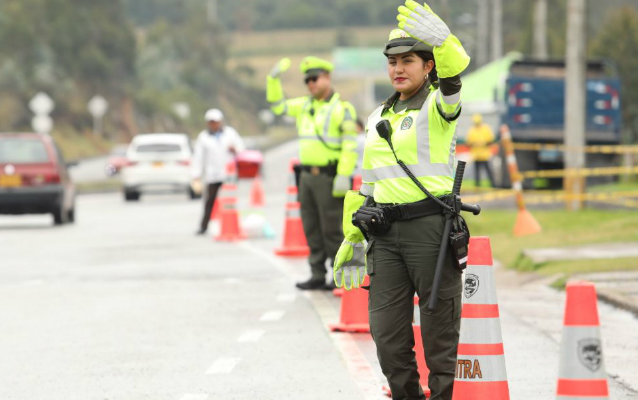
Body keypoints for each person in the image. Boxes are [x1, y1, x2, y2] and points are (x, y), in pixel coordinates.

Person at [333, 1, 470, 398]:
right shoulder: (378, 117)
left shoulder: (438, 107)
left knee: (439, 333)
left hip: (431, 230)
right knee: (388, 338)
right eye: (392, 61)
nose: (397, 69)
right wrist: (352, 238)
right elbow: (368, 184)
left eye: (408, 60)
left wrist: (445, 43)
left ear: (428, 66)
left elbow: (453, 82)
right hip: (385, 236)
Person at [266, 55, 359, 290]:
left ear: (327, 78)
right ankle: (317, 273)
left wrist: (344, 174)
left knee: (332, 230)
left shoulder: (342, 109)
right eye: (307, 80)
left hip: (330, 177)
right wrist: (273, 80)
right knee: (311, 227)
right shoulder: (304, 106)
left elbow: (350, 144)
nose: (311, 84)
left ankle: (339, 277)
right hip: (306, 177)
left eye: (315, 79)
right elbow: (278, 106)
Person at [192, 109, 245, 235]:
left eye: (215, 122)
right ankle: (203, 226)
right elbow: (198, 158)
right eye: (211, 122)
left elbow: (241, 148)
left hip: (229, 174)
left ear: (220, 122)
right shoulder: (203, 137)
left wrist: (235, 149)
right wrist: (196, 175)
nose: (213, 125)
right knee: (209, 201)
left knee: (230, 201)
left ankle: (232, 224)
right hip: (213, 174)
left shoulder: (230, 133)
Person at [465, 113, 496, 187]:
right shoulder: (472, 130)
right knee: (477, 173)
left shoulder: (486, 128)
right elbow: (468, 143)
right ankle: (477, 187)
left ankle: (494, 185)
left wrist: (482, 144)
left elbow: (490, 141)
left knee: (489, 172)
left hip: (485, 155)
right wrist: (476, 144)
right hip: (476, 155)